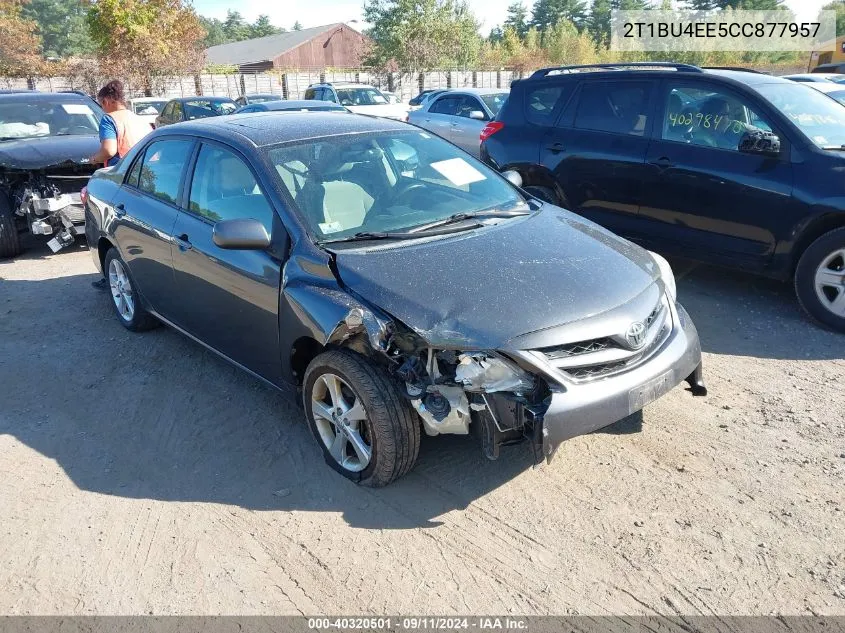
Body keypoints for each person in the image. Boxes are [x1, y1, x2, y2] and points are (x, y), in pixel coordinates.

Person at [90, 80, 151, 289]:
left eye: (101, 104)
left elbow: (109, 151)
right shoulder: (139, 119)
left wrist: (93, 159)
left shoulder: (109, 119)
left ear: (106, 101)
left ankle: (114, 274)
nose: (102, 108)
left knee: (110, 228)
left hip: (120, 178)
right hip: (146, 177)